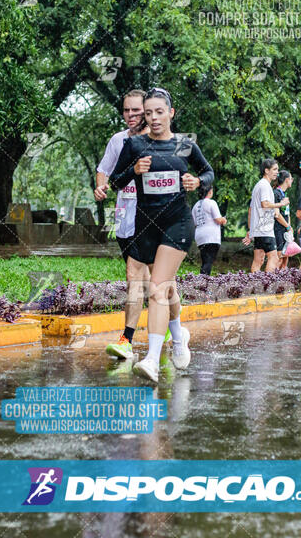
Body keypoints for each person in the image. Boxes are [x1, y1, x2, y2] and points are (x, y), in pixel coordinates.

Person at [110, 87, 214, 382]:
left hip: (178, 223)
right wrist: (134, 170)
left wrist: (197, 181)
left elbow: (208, 173)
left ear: (171, 113)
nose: (153, 118)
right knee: (167, 288)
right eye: (148, 113)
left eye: (159, 112)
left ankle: (152, 359)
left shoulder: (184, 145)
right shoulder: (135, 145)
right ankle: (179, 336)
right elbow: (117, 180)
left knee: (156, 288)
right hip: (146, 225)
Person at [94, 89, 171, 359]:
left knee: (139, 277)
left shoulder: (159, 141)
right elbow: (104, 170)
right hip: (125, 217)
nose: (130, 115)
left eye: (136, 111)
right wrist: (101, 187)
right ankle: (169, 325)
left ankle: (128, 339)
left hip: (152, 218)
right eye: (126, 110)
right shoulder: (119, 140)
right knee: (148, 279)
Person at [242, 159, 290, 272]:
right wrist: (281, 204)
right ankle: (267, 287)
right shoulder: (264, 185)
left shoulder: (259, 185)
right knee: (273, 258)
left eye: (277, 170)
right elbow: (265, 204)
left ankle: (255, 286)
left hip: (259, 229)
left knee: (258, 260)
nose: (277, 172)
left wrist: (251, 230)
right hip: (265, 229)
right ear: (266, 170)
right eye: (274, 169)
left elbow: (251, 210)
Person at [191, 185, 226, 275]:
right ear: (209, 192)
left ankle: (202, 282)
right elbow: (218, 220)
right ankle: (204, 284)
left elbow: (194, 223)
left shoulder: (196, 205)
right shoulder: (211, 203)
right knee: (208, 261)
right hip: (211, 236)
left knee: (205, 261)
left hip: (200, 236)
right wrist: (223, 219)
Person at [273, 170, 294, 269]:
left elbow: (287, 213)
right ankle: (271, 281)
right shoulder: (276, 193)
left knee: (286, 257)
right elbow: (277, 215)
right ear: (286, 180)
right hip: (278, 229)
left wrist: (289, 228)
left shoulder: (284, 194)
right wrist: (288, 226)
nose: (292, 181)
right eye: (291, 179)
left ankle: (283, 282)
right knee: (279, 258)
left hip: (285, 229)